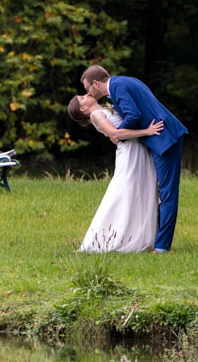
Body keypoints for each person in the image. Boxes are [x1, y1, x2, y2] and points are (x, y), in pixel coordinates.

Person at [80, 64, 187, 253]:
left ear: (95, 83)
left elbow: (134, 115)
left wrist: (118, 134)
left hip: (165, 138)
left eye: (87, 88)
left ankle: (162, 246)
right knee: (160, 192)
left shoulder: (118, 86)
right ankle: (155, 239)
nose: (87, 93)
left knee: (167, 193)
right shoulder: (124, 82)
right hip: (158, 139)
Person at [68, 93, 164, 252]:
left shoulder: (105, 110)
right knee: (125, 191)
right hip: (129, 152)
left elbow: (113, 136)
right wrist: (146, 131)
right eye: (82, 98)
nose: (86, 94)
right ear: (83, 108)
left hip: (138, 149)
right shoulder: (96, 115)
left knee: (143, 189)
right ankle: (108, 236)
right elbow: (115, 134)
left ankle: (139, 233)